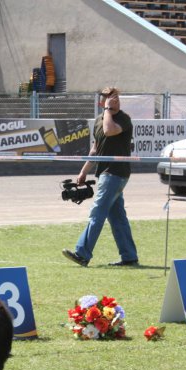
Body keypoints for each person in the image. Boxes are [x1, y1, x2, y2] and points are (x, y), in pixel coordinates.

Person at [62, 87, 138, 268]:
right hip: (106, 172)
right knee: (117, 217)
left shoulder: (123, 119)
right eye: (110, 98)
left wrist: (108, 111)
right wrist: (84, 170)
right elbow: (95, 149)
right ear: (101, 101)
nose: (114, 101)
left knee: (97, 212)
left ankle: (82, 254)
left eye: (116, 98)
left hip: (115, 172)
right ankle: (129, 256)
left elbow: (109, 131)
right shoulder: (98, 121)